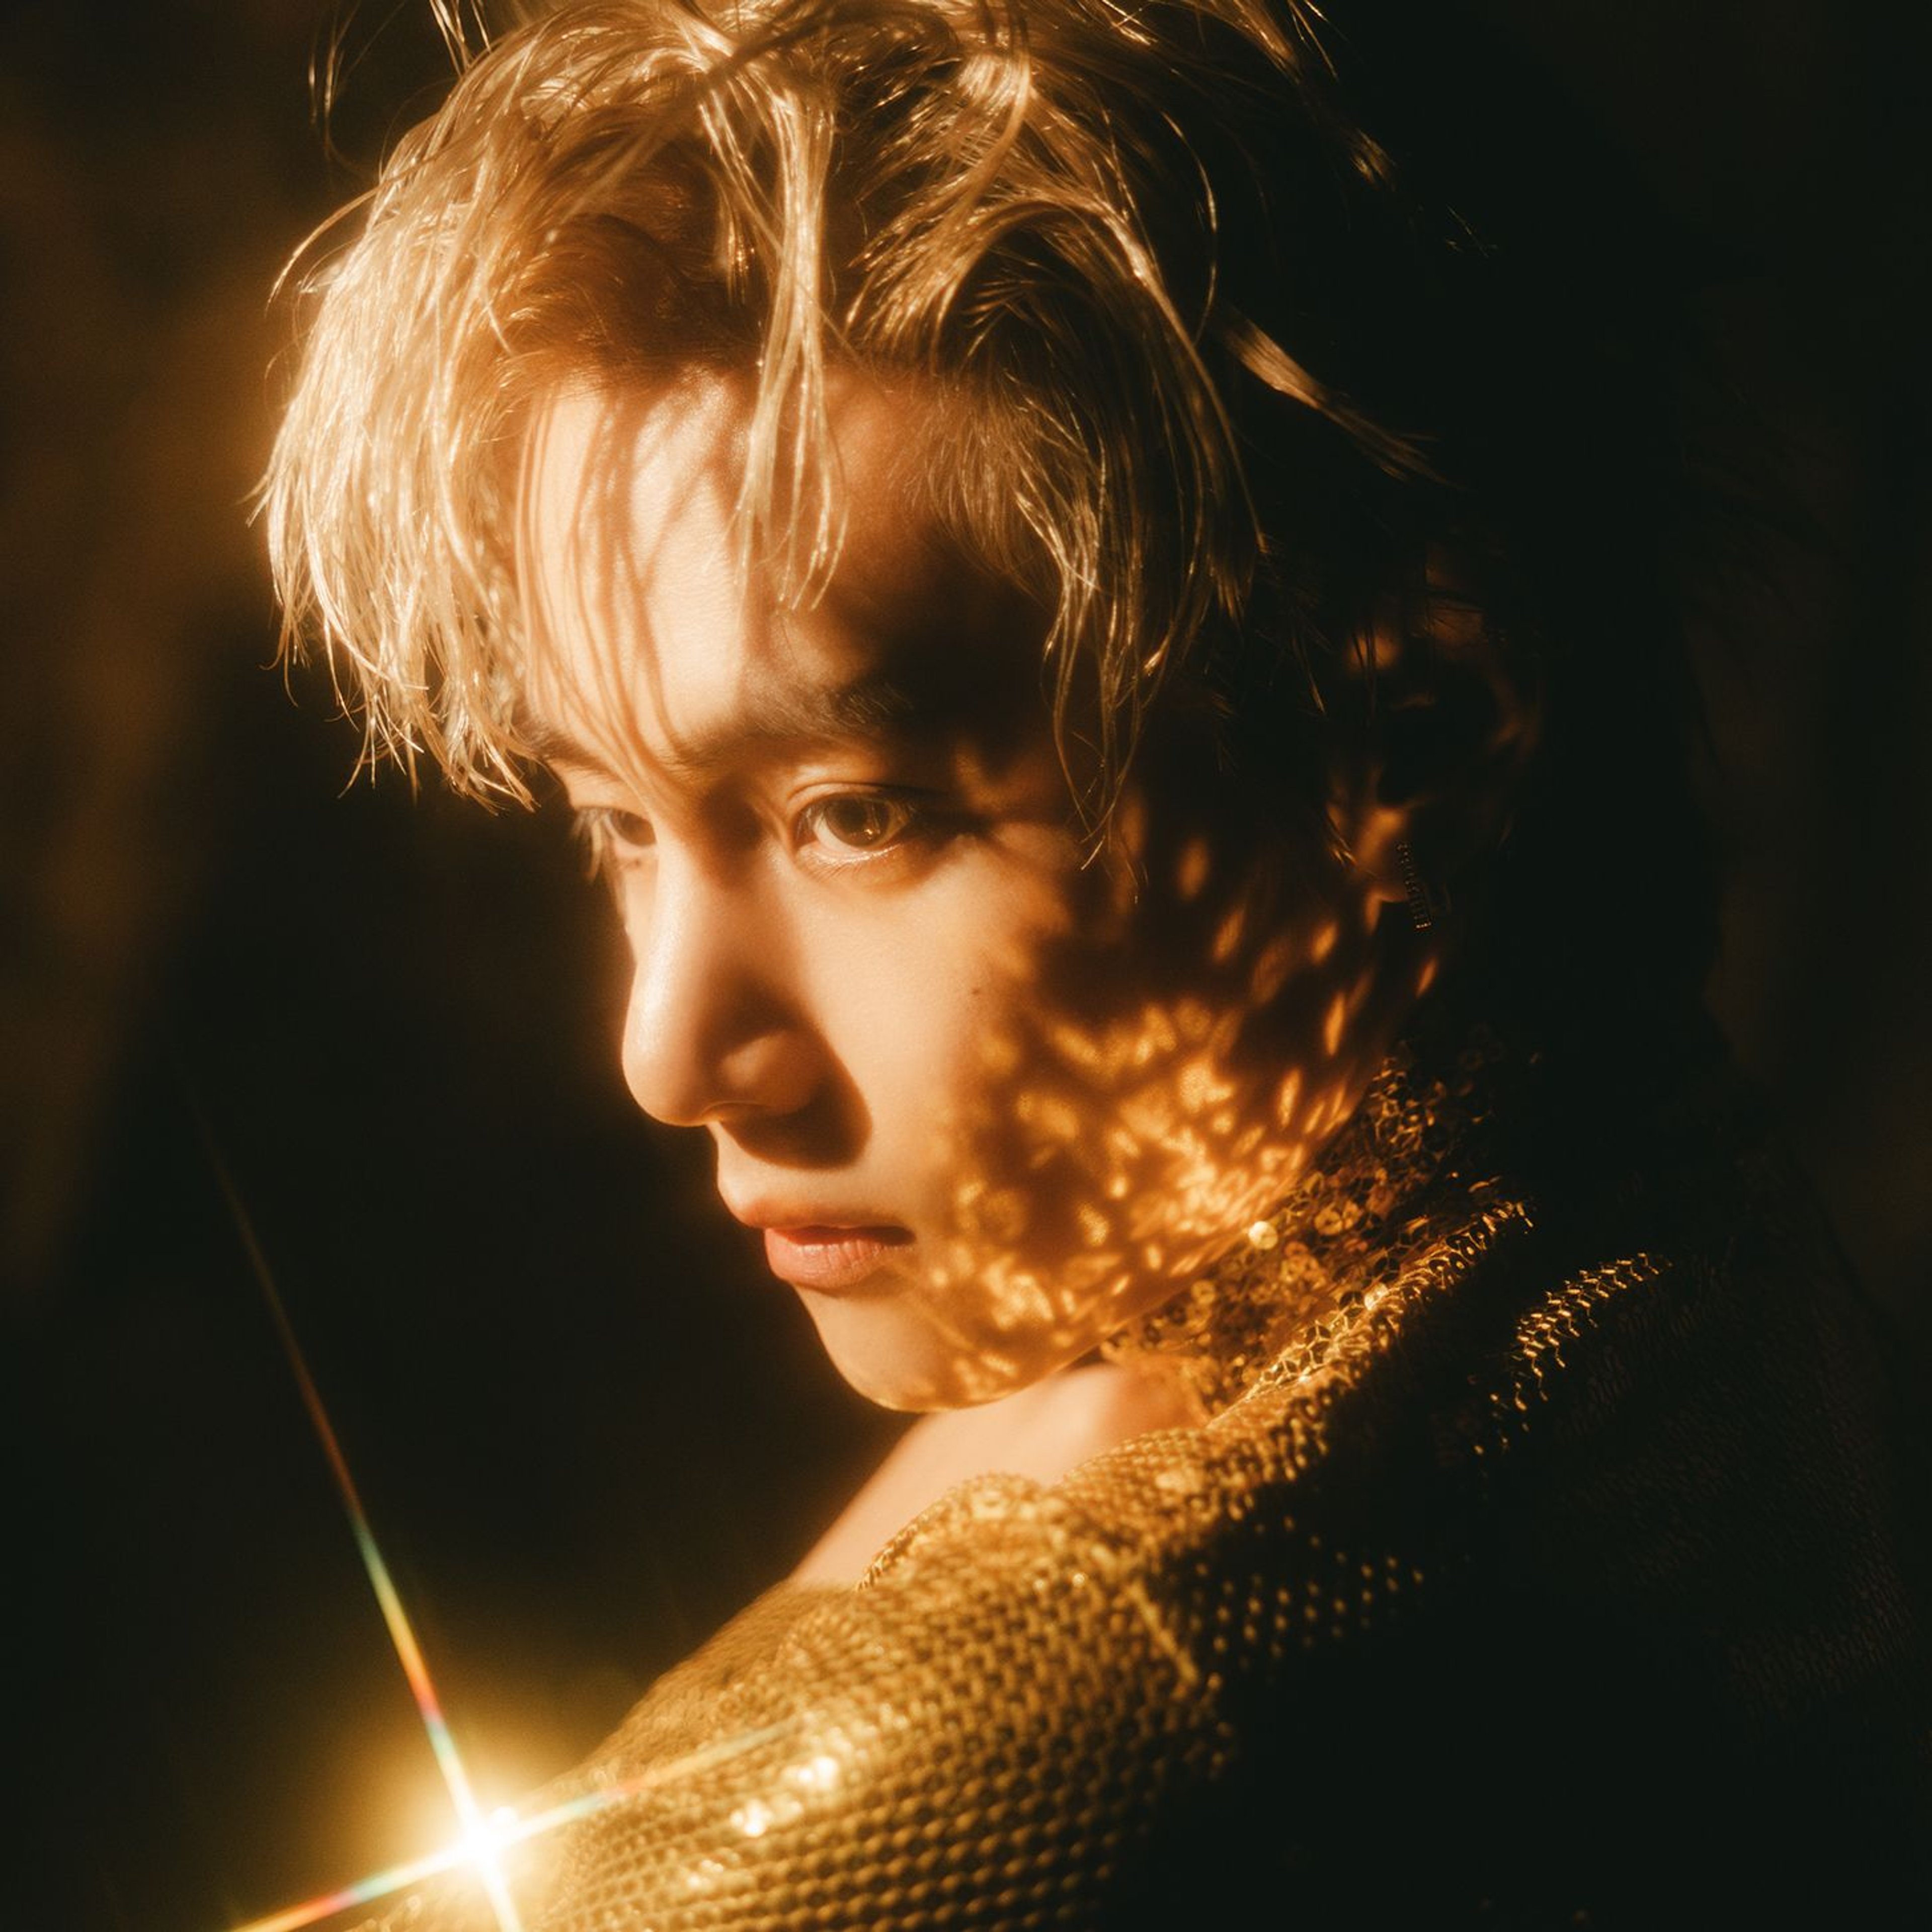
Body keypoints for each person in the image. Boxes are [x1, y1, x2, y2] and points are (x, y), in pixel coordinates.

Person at [264, 0, 1930, 1921]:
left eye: (858, 813)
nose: (675, 1047)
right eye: (616, 824)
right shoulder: (1575, 1194)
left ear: (1408, 740)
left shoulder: (1092, 1696)